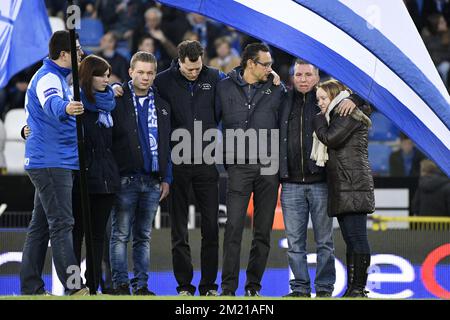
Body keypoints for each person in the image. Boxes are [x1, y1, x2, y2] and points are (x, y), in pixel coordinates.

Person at [279, 59, 361, 298]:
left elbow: (365, 98)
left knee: (325, 241)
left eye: (307, 74)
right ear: (292, 77)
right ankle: (301, 289)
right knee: (295, 243)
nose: (303, 79)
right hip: (291, 182)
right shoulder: (282, 99)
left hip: (322, 183)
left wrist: (352, 98)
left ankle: (324, 289)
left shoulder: (329, 101)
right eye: (298, 74)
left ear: (317, 76)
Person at [153, 40, 224, 296]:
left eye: (197, 68)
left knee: (211, 229)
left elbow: (237, 89)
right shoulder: (162, 81)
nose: (194, 73)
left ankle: (208, 287)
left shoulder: (215, 77)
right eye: (189, 69)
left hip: (207, 162)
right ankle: (184, 286)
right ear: (179, 61)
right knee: (179, 230)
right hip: (177, 163)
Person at [20, 30, 88, 295]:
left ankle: (30, 287)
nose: (82, 54)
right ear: (64, 55)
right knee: (62, 224)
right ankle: (75, 288)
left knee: (40, 227)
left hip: (49, 159)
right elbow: (52, 104)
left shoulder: (57, 77)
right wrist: (66, 108)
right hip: (52, 161)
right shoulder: (49, 78)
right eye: (78, 49)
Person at [215, 43, 286, 296]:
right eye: (265, 64)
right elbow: (209, 119)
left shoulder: (278, 89)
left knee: (262, 232)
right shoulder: (223, 87)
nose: (270, 68)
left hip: (269, 168)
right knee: (233, 227)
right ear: (250, 63)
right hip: (238, 167)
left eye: (271, 64)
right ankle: (227, 288)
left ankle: (253, 287)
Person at [109, 51, 172, 296]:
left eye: (150, 73)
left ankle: (142, 286)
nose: (145, 77)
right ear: (130, 72)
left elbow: (167, 144)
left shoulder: (163, 105)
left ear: (155, 74)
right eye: (141, 72)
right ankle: (121, 285)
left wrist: (167, 178)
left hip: (153, 180)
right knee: (120, 235)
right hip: (125, 179)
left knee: (143, 237)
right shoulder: (115, 99)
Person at [313, 79, 375, 298]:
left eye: (323, 98)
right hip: (345, 184)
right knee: (351, 239)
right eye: (317, 99)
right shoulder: (338, 114)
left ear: (334, 96)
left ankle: (358, 288)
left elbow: (331, 138)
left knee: (357, 238)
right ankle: (353, 288)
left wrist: (319, 121)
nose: (319, 103)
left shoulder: (348, 112)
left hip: (353, 184)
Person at [71, 54, 120, 293]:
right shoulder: (76, 105)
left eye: (108, 75)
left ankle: (92, 286)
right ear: (88, 76)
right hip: (82, 178)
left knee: (99, 236)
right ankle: (73, 284)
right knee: (77, 233)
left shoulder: (110, 103)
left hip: (107, 178)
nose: (106, 80)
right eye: (101, 74)